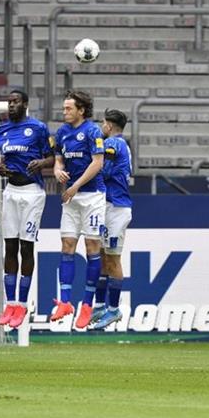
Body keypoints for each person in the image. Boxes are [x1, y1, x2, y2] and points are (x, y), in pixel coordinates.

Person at [0, 90, 54, 329]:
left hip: (32, 194)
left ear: (25, 104)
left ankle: (23, 305)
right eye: (9, 102)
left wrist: (42, 163)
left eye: (15, 102)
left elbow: (53, 158)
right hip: (10, 193)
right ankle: (11, 304)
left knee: (26, 247)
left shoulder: (37, 128)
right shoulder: (0, 131)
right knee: (10, 246)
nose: (11, 105)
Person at [50, 90, 106, 327]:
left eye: (69, 108)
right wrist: (57, 170)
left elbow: (98, 163)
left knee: (92, 247)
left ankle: (86, 305)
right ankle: (64, 303)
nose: (65, 112)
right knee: (67, 246)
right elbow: (59, 159)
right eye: (64, 108)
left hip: (92, 196)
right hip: (71, 197)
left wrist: (76, 186)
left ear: (81, 110)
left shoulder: (93, 131)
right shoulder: (62, 132)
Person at [89, 109, 132, 330]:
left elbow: (102, 166)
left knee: (113, 259)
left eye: (102, 123)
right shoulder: (119, 143)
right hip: (109, 205)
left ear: (109, 125)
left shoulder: (114, 143)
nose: (101, 127)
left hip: (117, 206)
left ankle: (114, 310)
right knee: (104, 257)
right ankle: (99, 306)